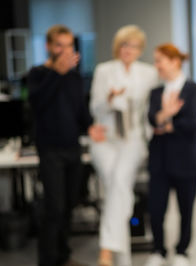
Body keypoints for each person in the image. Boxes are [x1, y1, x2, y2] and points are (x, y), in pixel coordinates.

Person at [28, 25, 103, 266]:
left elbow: (79, 109)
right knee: (55, 208)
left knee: (70, 205)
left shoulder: (74, 76)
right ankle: (48, 261)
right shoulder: (38, 74)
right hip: (50, 150)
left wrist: (90, 126)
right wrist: (56, 73)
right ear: (48, 47)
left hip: (72, 148)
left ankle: (63, 255)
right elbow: (37, 104)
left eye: (69, 45)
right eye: (59, 45)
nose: (64, 50)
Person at [89, 25, 158, 266]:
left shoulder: (148, 73)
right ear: (117, 47)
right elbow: (94, 109)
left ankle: (106, 250)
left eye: (134, 46)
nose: (129, 50)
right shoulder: (104, 71)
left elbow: (151, 110)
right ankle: (122, 259)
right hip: (105, 138)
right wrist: (108, 100)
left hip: (133, 138)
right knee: (118, 189)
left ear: (141, 50)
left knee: (118, 183)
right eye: (124, 45)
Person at [145, 43, 196, 266]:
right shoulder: (155, 92)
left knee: (185, 209)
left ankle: (182, 251)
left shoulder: (194, 90)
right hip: (159, 160)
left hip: (186, 161)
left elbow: (190, 122)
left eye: (160, 60)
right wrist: (166, 114)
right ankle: (158, 250)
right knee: (156, 209)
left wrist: (166, 123)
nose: (156, 65)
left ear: (175, 61)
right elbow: (152, 119)